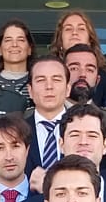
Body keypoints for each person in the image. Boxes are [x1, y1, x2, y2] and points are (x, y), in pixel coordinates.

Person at [22, 55, 73, 190]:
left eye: (56, 79)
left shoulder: (82, 130)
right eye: (40, 80)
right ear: (30, 90)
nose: (49, 86)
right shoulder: (16, 131)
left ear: (68, 88)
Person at [0, 19, 36, 102]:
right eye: (8, 40)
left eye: (20, 40)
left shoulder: (38, 82)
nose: (14, 45)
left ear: (30, 48)